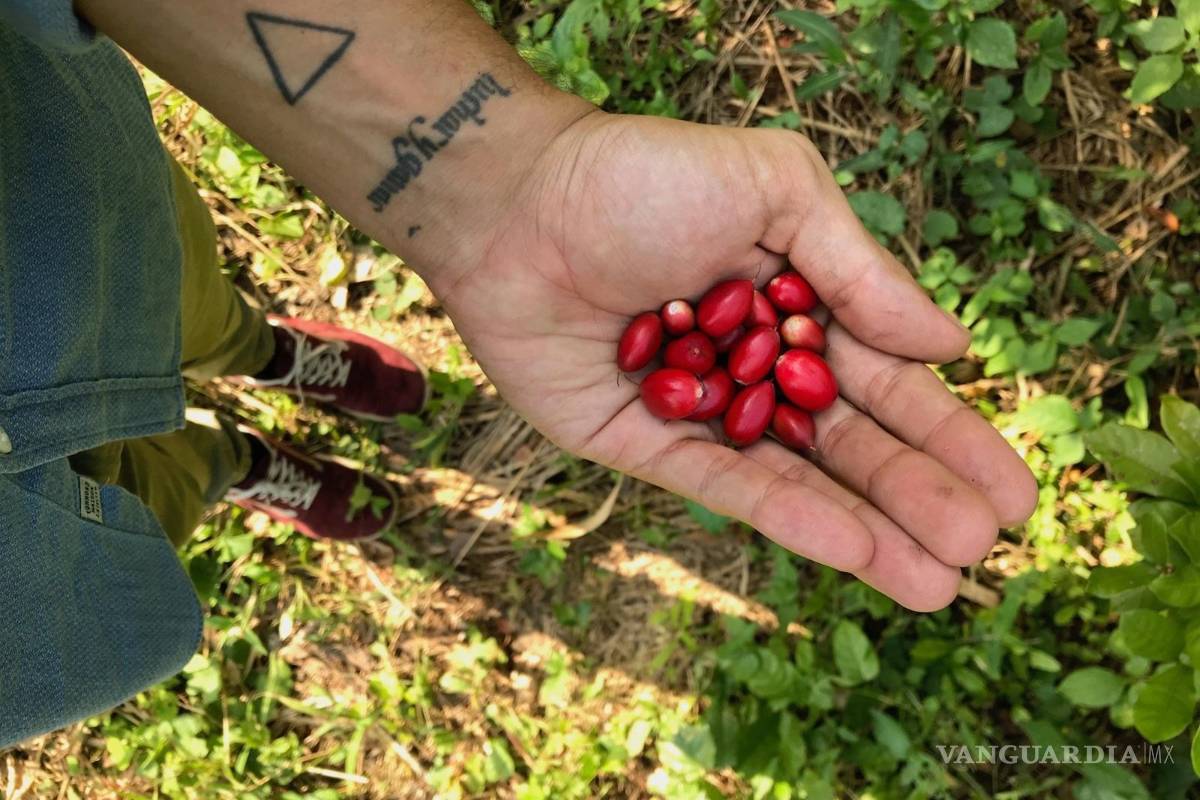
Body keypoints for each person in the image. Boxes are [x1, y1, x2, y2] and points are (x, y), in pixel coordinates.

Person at [0, 0, 1038, 748]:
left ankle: (255, 368)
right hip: (45, 579)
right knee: (118, 502)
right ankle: (229, 460)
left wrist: (501, 174)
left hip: (57, 217)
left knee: (164, 291)